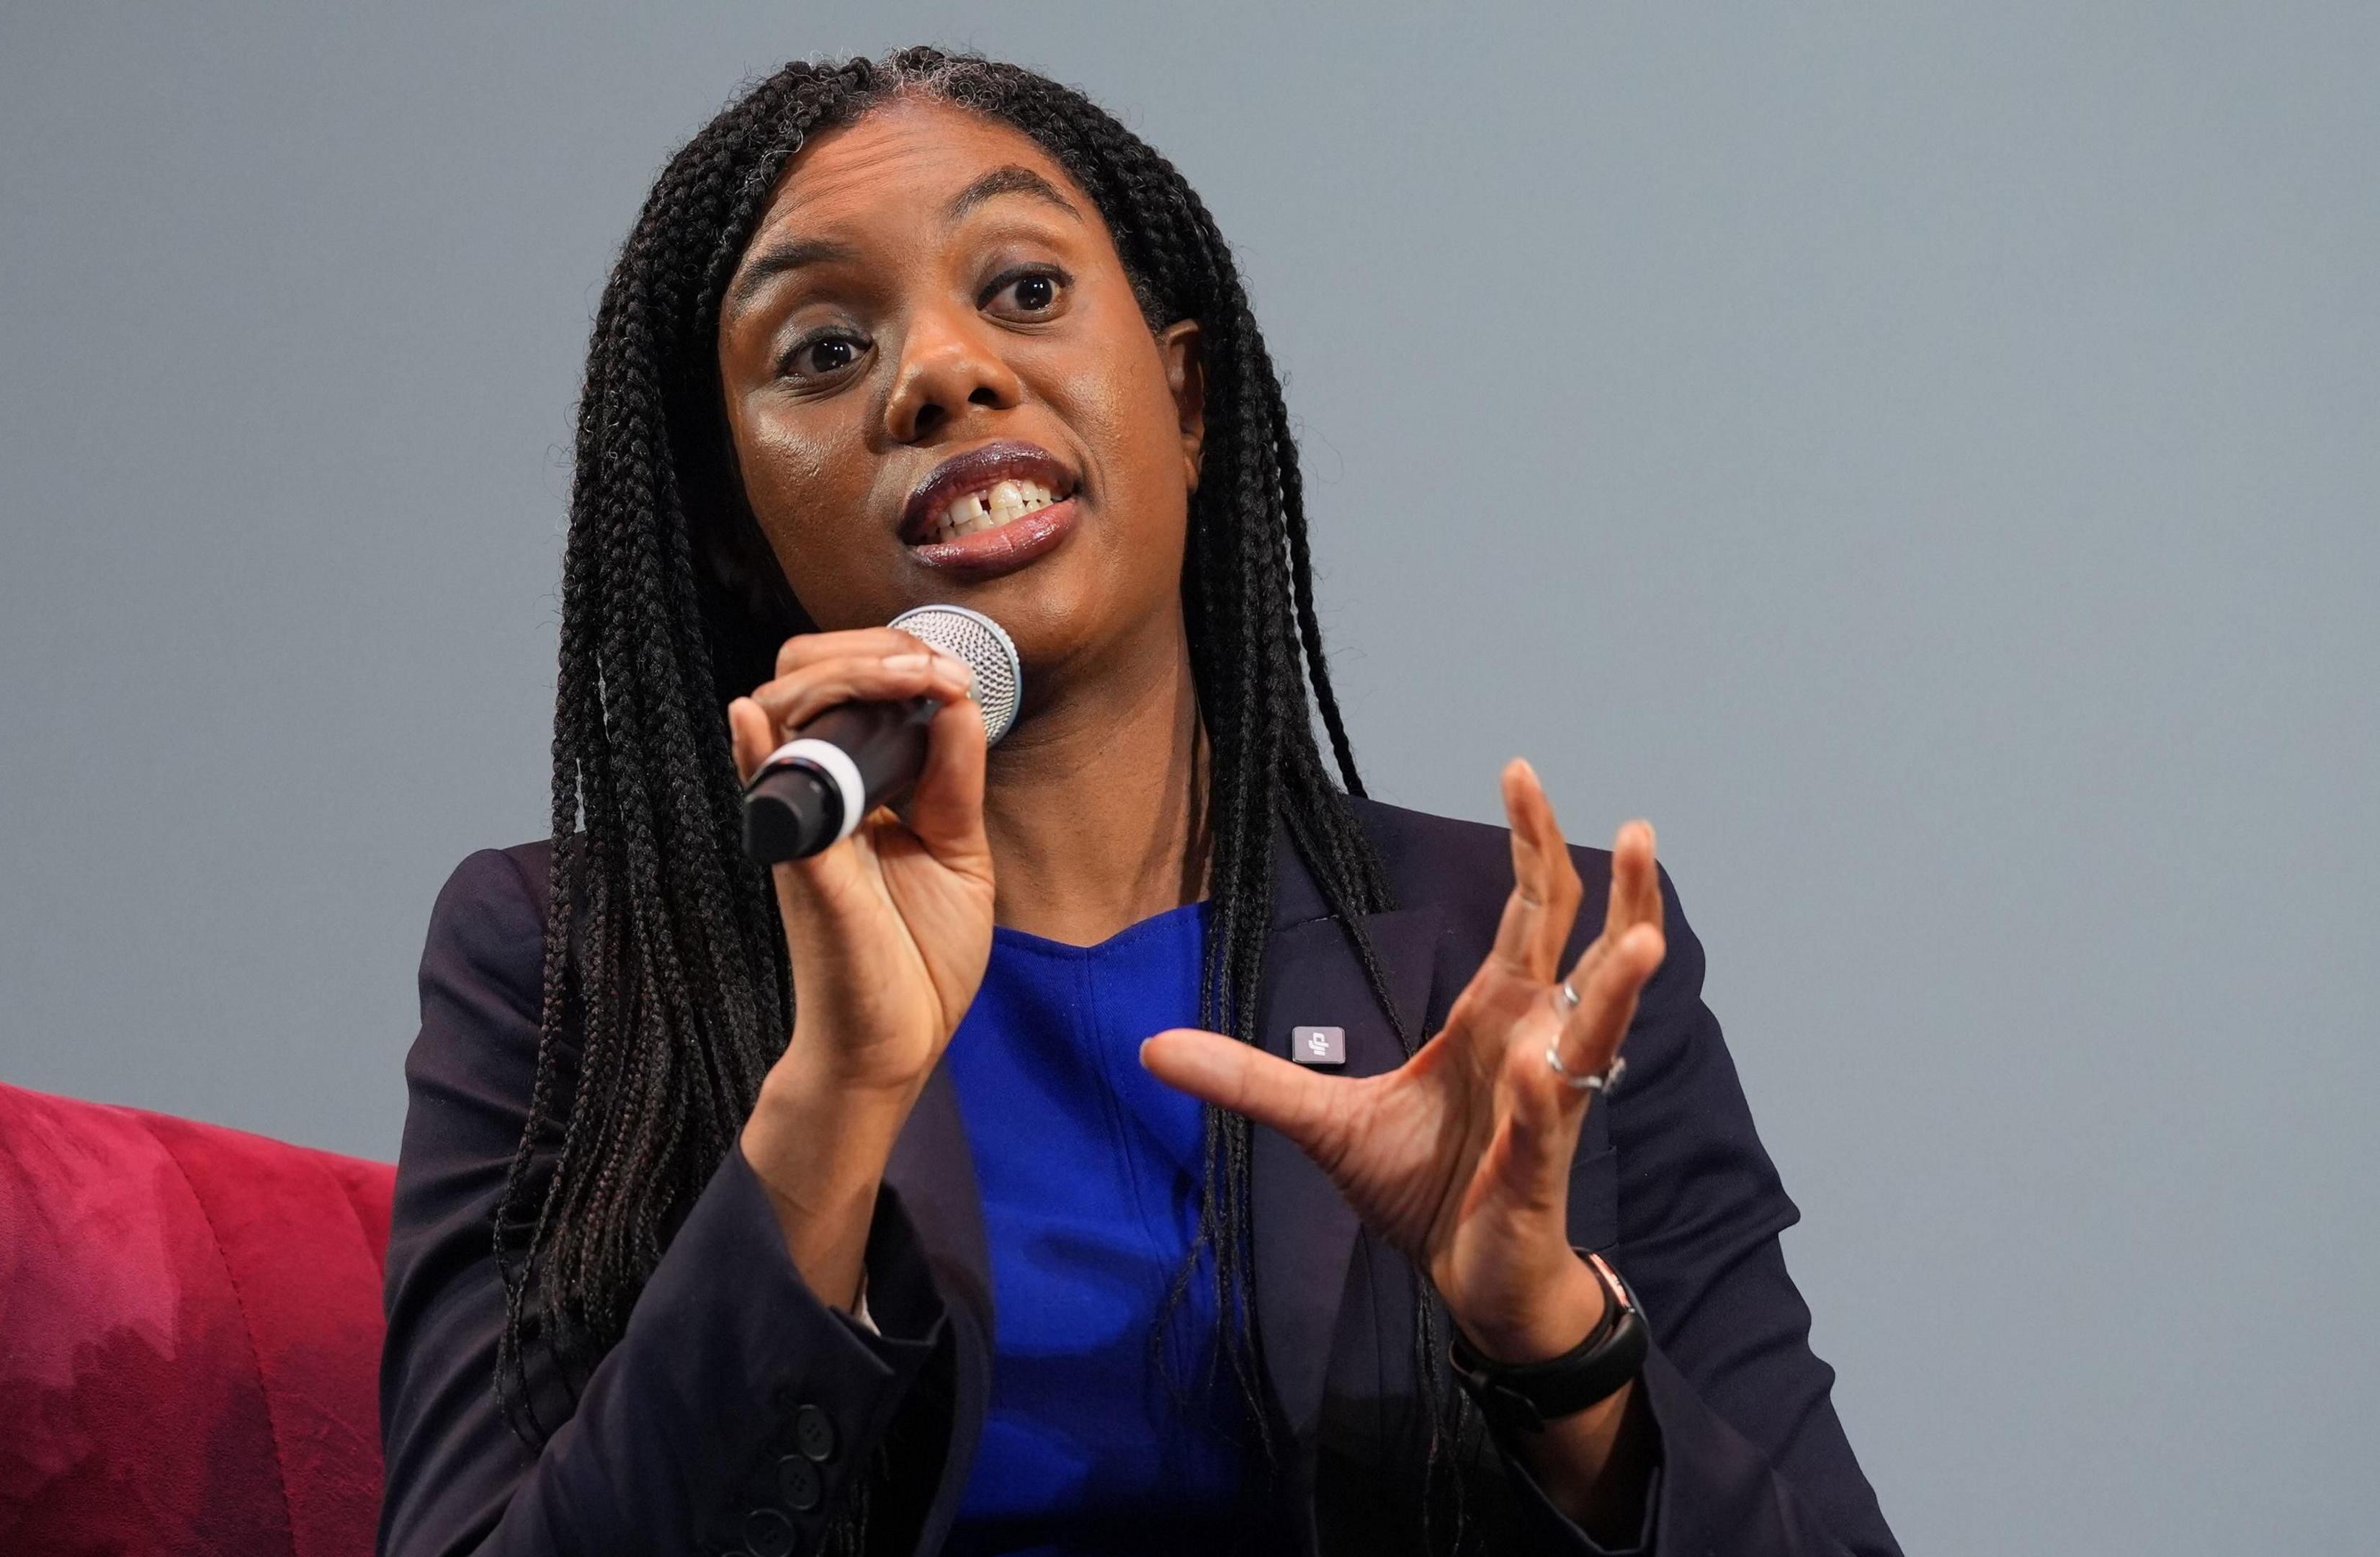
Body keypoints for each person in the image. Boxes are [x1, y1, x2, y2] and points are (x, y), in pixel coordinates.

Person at [378, 48, 1899, 1557]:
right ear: (727, 524)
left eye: (1026, 290)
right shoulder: (571, 957)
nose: (943, 373)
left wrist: (1550, 1339)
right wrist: (829, 1102)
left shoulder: (1521, 953)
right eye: (826, 348)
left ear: (1182, 401)